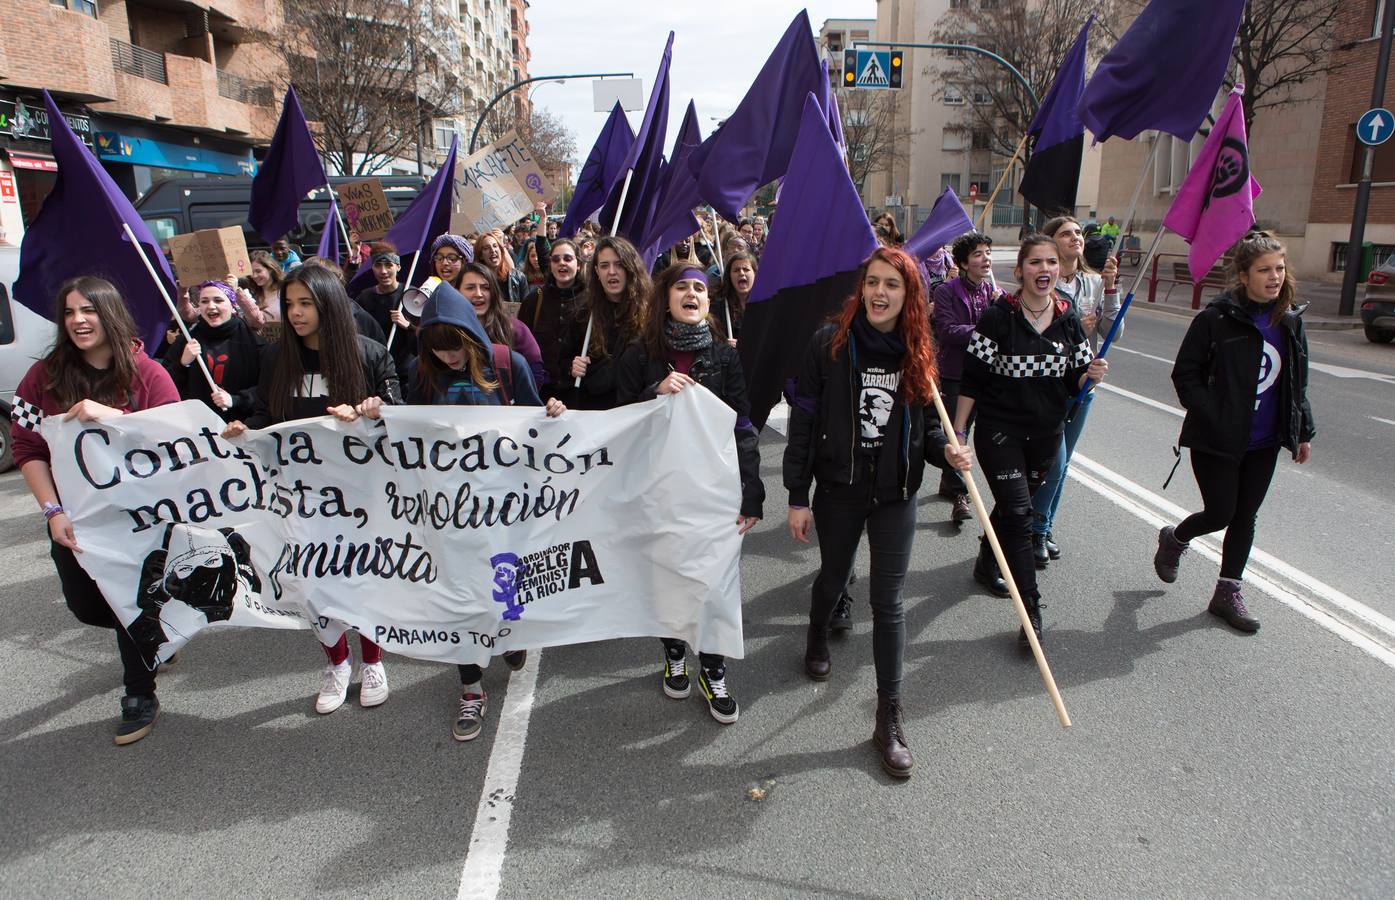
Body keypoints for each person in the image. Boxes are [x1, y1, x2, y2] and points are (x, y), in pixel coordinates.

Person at [784, 247, 973, 778]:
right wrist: (797, 495)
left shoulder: (917, 350)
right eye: (873, 282)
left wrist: (948, 451)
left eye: (892, 284)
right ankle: (818, 632)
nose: (880, 293)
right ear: (861, 287)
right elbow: (803, 423)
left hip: (896, 493)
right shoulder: (830, 344)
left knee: (888, 601)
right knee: (834, 578)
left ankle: (888, 716)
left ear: (909, 294)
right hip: (839, 489)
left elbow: (929, 428)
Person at [348, 277, 561, 740]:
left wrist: (553, 412)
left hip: (506, 509)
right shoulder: (422, 373)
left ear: (471, 334)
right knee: (456, 599)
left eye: (455, 346)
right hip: (449, 510)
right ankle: (470, 688)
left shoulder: (508, 364)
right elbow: (406, 429)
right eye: (438, 348)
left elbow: (536, 424)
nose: (448, 356)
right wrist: (375, 411)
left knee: (504, 588)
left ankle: (508, 632)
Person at [223, 264, 401, 714]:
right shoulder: (274, 358)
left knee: (364, 577)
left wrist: (374, 411)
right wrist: (247, 428)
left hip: (362, 495)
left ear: (329, 305)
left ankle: (373, 661)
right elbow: (265, 415)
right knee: (313, 583)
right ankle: (338, 663)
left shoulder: (371, 354)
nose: (296, 312)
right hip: (298, 497)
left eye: (306, 303)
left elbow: (400, 415)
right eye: (289, 304)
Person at [11, 276, 181, 744]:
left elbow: (177, 440)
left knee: (129, 600)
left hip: (140, 523)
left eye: (87, 310)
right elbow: (27, 448)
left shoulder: (147, 373)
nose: (78, 320)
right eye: (69, 313)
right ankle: (153, 630)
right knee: (87, 606)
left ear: (109, 313)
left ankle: (139, 694)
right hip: (75, 520)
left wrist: (116, 418)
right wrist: (52, 511)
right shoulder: (42, 378)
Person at [616, 263, 764, 724]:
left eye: (700, 287)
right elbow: (616, 419)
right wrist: (653, 391)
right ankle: (675, 651)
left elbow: (742, 423)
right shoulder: (640, 353)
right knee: (669, 578)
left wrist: (752, 489)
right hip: (658, 490)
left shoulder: (724, 356)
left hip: (713, 493)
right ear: (666, 297)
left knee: (714, 584)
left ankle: (714, 670)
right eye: (682, 286)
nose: (692, 293)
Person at [1154, 231, 1315, 634]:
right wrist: (1214, 415)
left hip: (1263, 440)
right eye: (1264, 270)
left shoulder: (1290, 320)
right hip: (1217, 439)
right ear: (1243, 275)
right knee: (1221, 512)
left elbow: (1297, 381)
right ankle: (1176, 538)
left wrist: (1303, 430)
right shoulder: (1215, 320)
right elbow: (1185, 374)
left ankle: (1227, 592)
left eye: (1279, 268)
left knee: (1246, 516)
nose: (1274, 276)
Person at [951, 234, 1107, 645]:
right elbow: (973, 380)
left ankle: (988, 560)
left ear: (1060, 268)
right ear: (1020, 270)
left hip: (1046, 433)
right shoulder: (998, 316)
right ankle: (1031, 613)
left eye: (1051, 262)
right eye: (1035, 262)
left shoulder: (1067, 316)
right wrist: (959, 432)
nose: (1044, 270)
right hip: (1000, 431)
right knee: (1020, 516)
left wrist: (1088, 376)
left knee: (1009, 508)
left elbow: (1074, 380)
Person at [1029, 216, 1123, 566]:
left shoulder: (1095, 282)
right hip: (1051, 385)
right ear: (1052, 242)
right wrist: (1072, 331)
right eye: (1066, 233)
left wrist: (1111, 290)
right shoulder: (1044, 282)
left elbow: (1116, 330)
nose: (1076, 238)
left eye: (1079, 233)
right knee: (1055, 462)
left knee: (1063, 465)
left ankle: (1044, 525)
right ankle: (1034, 529)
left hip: (1085, 384)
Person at [932, 231, 1004, 530]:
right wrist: (985, 327)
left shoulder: (994, 294)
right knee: (956, 434)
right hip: (955, 374)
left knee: (979, 432)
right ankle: (961, 494)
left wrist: (1002, 311)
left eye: (987, 253)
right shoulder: (946, 291)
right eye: (977, 254)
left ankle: (951, 482)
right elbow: (947, 330)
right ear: (963, 262)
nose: (985, 259)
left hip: (987, 375)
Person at [163, 280, 265, 421]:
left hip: (241, 425)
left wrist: (236, 400)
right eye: (204, 301)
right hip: (198, 426)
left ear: (232, 305)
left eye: (218, 300)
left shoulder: (252, 342)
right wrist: (182, 364)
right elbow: (165, 386)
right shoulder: (187, 341)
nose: (211, 306)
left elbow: (268, 388)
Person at [569, 236, 650, 410]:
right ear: (597, 271)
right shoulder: (584, 315)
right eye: (604, 266)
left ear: (630, 268)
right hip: (597, 413)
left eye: (619, 264)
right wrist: (573, 368)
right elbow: (566, 359)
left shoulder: (650, 312)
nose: (611, 271)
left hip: (638, 410)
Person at [458, 261, 547, 389]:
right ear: (457, 291)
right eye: (470, 287)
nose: (478, 293)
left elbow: (536, 373)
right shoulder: (450, 330)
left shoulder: (515, 328)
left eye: (485, 287)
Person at [518, 238, 583, 402]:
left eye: (568, 258)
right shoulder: (534, 299)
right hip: (542, 393)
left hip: (579, 393)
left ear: (579, 264)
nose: (562, 263)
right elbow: (520, 344)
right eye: (556, 259)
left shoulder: (592, 301)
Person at [710, 250, 757, 346]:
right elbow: (712, 337)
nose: (741, 273)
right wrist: (723, 344)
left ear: (755, 274)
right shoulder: (719, 303)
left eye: (746, 269)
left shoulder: (766, 302)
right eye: (736, 270)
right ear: (729, 276)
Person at [476, 230, 528, 307]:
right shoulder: (476, 280)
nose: (492, 251)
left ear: (501, 250)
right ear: (480, 255)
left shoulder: (518, 277)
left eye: (495, 246)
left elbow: (526, 311)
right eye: (486, 248)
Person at [248, 251, 284, 325]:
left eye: (258, 271)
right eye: (251, 272)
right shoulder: (251, 293)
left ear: (270, 269)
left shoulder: (285, 290)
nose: (254, 276)